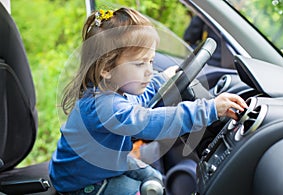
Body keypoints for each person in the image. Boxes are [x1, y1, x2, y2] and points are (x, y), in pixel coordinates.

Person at [49, 7, 248, 195]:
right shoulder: (104, 106)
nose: (149, 71)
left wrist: (162, 80)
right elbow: (149, 121)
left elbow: (141, 99)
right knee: (135, 189)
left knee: (153, 177)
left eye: (150, 61)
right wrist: (209, 109)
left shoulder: (115, 91)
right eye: (139, 64)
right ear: (107, 69)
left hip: (101, 165)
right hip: (79, 182)